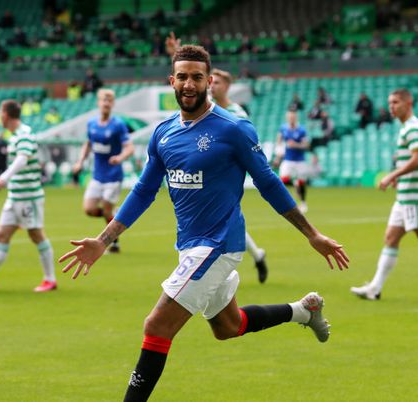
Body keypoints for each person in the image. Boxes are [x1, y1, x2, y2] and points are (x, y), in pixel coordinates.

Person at [58, 45, 349, 402]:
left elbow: (269, 183)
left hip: (219, 245)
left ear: (209, 81)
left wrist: (312, 234)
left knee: (156, 325)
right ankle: (303, 311)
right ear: (172, 82)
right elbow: (144, 190)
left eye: (197, 76)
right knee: (228, 327)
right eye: (182, 77)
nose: (189, 84)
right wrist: (103, 240)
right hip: (190, 247)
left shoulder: (233, 129)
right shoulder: (163, 133)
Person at [351, 89, 418, 303]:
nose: (392, 106)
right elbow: (412, 159)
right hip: (406, 195)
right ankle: (374, 288)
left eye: (396, 102)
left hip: (414, 197)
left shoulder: (413, 128)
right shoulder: (407, 128)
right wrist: (398, 177)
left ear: (408, 103)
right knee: (391, 238)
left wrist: (393, 174)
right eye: (390, 102)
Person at [0, 100, 58, 292]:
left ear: (5, 114)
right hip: (15, 196)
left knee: (36, 234)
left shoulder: (24, 134)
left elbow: (22, 160)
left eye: (0, 113)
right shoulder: (15, 136)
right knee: (2, 234)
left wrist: (3, 179)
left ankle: (50, 279)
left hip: (29, 196)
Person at [208, 68, 269, 282]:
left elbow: (246, 140)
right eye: (211, 82)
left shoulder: (237, 113)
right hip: (210, 171)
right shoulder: (208, 108)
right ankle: (257, 254)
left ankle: (217, 271)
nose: (212, 86)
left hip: (229, 171)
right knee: (225, 219)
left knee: (221, 218)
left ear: (227, 87)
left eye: (217, 83)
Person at [72, 89, 134, 253]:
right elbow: (88, 144)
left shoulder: (118, 125)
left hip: (113, 176)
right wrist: (80, 161)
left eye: (109, 101)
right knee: (89, 210)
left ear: (112, 104)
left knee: (106, 209)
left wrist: (120, 158)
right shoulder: (92, 124)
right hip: (97, 176)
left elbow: (130, 148)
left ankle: (113, 242)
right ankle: (116, 217)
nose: (106, 103)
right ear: (98, 103)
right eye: (103, 100)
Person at [275, 110, 310, 213]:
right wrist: (278, 157)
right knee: (282, 181)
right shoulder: (283, 128)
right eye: (289, 117)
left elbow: (306, 145)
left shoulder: (301, 130)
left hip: (300, 160)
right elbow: (279, 142)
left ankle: (303, 203)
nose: (291, 119)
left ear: (296, 118)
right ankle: (294, 186)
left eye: (293, 117)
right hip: (288, 160)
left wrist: (296, 145)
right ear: (287, 117)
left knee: (302, 182)